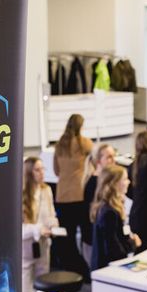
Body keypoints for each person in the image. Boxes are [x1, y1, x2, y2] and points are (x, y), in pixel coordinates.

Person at [88, 164, 142, 292]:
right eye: (124, 179)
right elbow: (113, 249)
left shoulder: (109, 207)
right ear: (114, 184)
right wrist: (132, 243)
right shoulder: (109, 212)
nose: (128, 182)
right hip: (107, 268)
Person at [21, 157, 60, 292]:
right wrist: (38, 229)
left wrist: (52, 225)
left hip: (44, 249)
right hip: (26, 252)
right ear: (29, 173)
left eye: (42, 169)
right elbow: (17, 231)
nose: (42, 172)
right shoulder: (19, 195)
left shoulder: (46, 191)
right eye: (37, 170)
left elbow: (52, 215)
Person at [52, 113, 94, 280]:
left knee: (67, 237)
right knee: (85, 234)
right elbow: (93, 162)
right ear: (81, 126)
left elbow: (56, 171)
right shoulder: (86, 143)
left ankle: (70, 269)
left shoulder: (59, 145)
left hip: (62, 195)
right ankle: (86, 269)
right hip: (79, 195)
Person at [82, 143, 116, 265]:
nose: (113, 160)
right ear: (98, 161)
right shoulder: (93, 184)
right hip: (93, 241)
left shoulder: (104, 181)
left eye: (114, 156)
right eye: (109, 157)